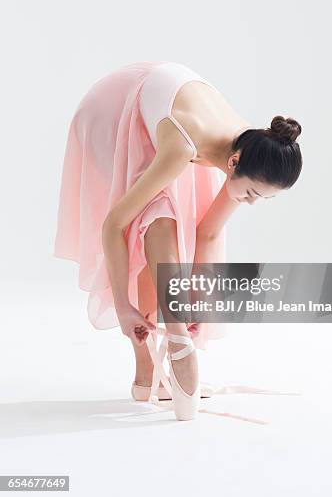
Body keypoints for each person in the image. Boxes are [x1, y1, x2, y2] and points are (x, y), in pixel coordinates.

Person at [53, 60, 303, 420]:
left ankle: (153, 369)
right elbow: (113, 224)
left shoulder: (254, 149)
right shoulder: (185, 147)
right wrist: (123, 305)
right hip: (110, 110)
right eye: (251, 193)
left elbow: (210, 230)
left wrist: (201, 298)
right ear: (234, 163)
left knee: (165, 211)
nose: (250, 202)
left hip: (169, 114)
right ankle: (163, 348)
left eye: (262, 198)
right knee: (156, 212)